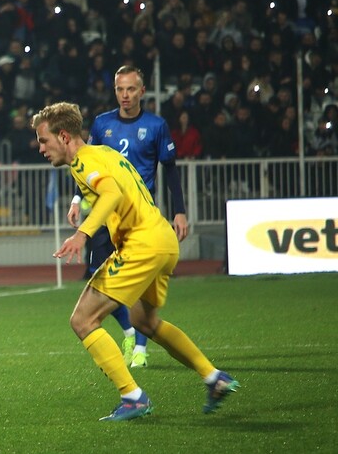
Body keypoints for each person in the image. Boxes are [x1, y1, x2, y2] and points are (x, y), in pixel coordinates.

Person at [33, 101, 238, 421]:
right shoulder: (104, 153)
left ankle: (133, 396)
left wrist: (82, 234)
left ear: (63, 136)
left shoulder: (85, 161)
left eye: (43, 140)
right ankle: (214, 378)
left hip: (140, 245)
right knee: (145, 322)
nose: (40, 147)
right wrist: (81, 201)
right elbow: (115, 187)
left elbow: (111, 193)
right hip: (163, 241)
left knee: (82, 320)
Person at [67, 65, 189, 369]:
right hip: (108, 216)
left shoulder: (156, 125)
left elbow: (170, 169)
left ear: (142, 91)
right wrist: (76, 198)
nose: (125, 95)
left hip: (138, 218)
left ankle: (140, 348)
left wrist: (179, 210)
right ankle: (130, 331)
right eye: (120, 89)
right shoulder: (102, 124)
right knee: (98, 273)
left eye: (131, 89)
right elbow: (88, 165)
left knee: (137, 286)